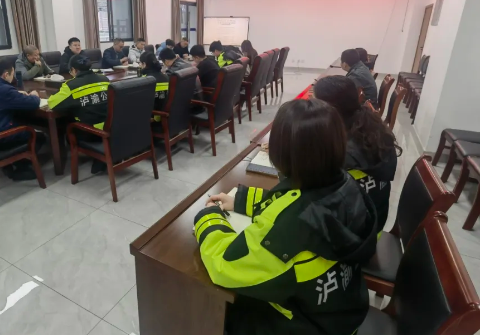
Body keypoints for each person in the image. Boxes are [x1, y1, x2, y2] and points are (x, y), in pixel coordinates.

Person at [198, 99, 377, 335]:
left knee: (216, 310)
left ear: (282, 153)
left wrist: (208, 218)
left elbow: (225, 265)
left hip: (304, 325)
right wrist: (241, 200)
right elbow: (291, 200)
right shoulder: (346, 184)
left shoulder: (290, 229)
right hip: (341, 315)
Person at [314, 76, 401, 230]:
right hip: (373, 222)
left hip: (353, 235)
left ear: (329, 108)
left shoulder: (343, 152)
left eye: (314, 104)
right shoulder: (370, 126)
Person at [0, 58, 45, 180]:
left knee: (21, 121)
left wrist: (16, 94)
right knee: (38, 136)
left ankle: (10, 163)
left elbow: (0, 98)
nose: (13, 77)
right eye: (12, 74)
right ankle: (21, 168)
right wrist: (35, 96)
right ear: (6, 74)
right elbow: (32, 103)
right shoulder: (3, 89)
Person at [48, 55, 110, 174]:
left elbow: (52, 103)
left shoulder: (71, 85)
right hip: (109, 127)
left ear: (73, 70)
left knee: (65, 124)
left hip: (89, 133)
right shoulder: (105, 79)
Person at [140, 52, 169, 121]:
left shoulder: (145, 79)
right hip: (166, 115)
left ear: (144, 64)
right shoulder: (166, 77)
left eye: (140, 63)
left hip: (152, 118)